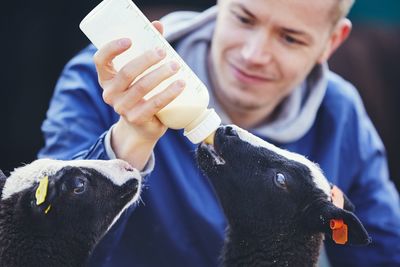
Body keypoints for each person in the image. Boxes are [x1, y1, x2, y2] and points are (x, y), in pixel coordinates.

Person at [39, 0, 400, 266]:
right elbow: (45, 248)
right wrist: (127, 145)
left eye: (290, 38)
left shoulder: (339, 114)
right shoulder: (108, 82)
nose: (254, 53)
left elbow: (382, 250)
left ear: (331, 41)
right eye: (244, 18)